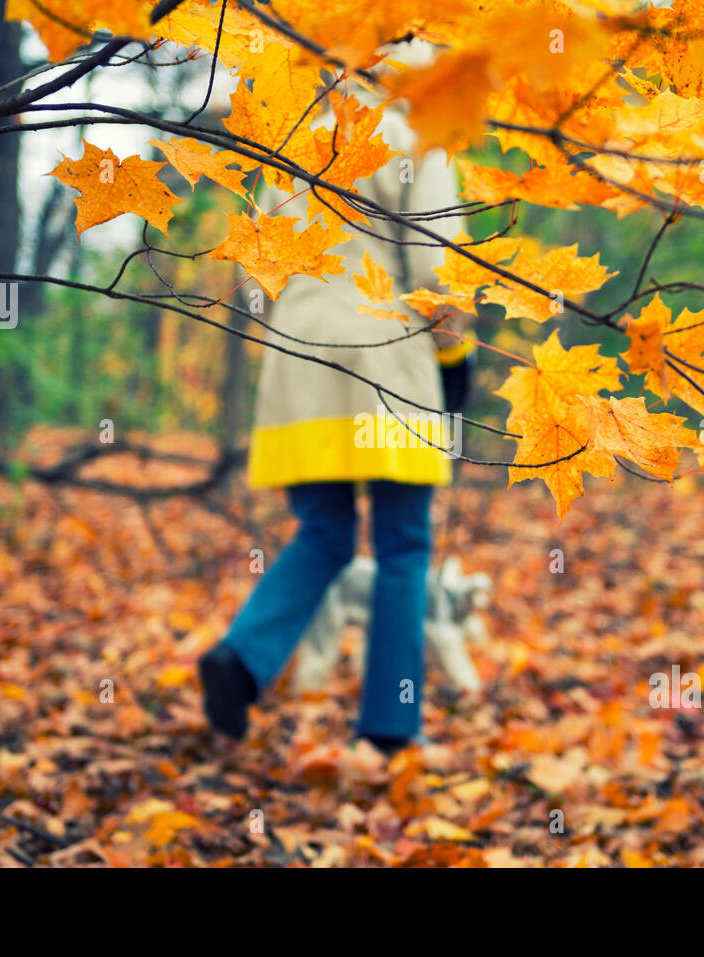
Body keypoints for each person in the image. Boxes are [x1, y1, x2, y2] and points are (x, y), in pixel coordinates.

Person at [198, 47, 473, 756]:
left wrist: (292, 334)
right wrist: (456, 361)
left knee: (323, 532)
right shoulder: (420, 136)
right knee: (404, 545)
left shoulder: (295, 144)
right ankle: (387, 727)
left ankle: (241, 659)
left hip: (299, 360)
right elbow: (437, 266)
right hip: (390, 357)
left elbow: (257, 273)